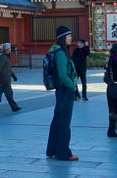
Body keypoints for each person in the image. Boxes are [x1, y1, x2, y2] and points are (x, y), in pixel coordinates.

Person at [45, 25, 79, 161]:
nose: (71, 38)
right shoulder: (60, 53)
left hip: (62, 91)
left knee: (58, 120)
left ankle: (52, 149)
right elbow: (63, 75)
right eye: (69, 36)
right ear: (63, 38)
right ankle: (63, 152)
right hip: (65, 90)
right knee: (64, 122)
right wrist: (73, 87)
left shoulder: (60, 52)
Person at [0, 42, 20, 111]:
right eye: (9, 48)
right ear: (7, 49)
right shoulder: (2, 57)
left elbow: (9, 69)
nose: (11, 50)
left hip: (5, 78)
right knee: (9, 93)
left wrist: (13, 76)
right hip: (3, 79)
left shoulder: (7, 57)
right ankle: (14, 107)